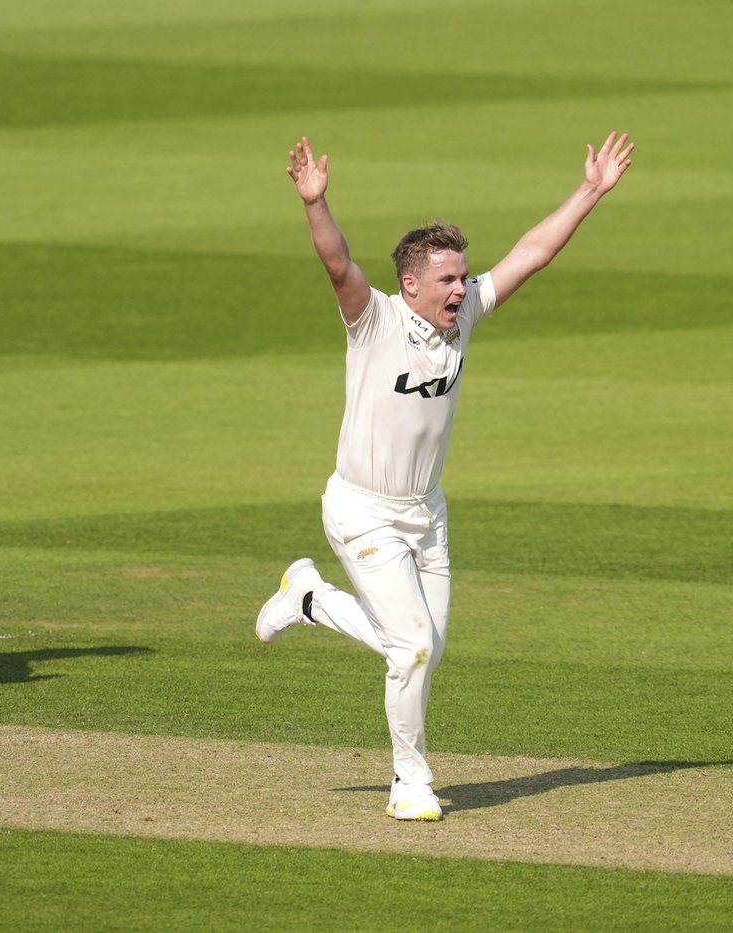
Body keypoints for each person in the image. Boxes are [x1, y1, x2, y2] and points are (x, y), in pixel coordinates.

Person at [257, 132, 634, 820]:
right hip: (363, 509)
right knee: (415, 648)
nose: (462, 288)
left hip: (427, 513)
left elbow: (533, 254)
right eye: (448, 279)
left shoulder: (462, 321)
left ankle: (309, 597)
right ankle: (410, 780)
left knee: (423, 648)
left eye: (463, 277)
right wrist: (316, 203)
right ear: (410, 284)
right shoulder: (374, 320)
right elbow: (338, 264)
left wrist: (591, 190)